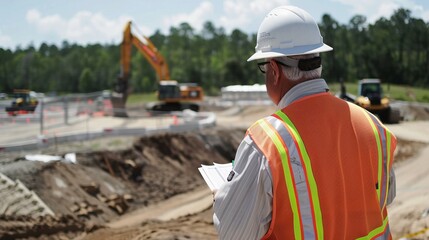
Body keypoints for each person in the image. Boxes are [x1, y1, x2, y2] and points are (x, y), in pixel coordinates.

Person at [213, 5, 396, 240]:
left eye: (263, 68)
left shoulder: (266, 141)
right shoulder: (373, 125)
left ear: (275, 71)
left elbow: (233, 234)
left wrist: (223, 197)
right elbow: (384, 198)